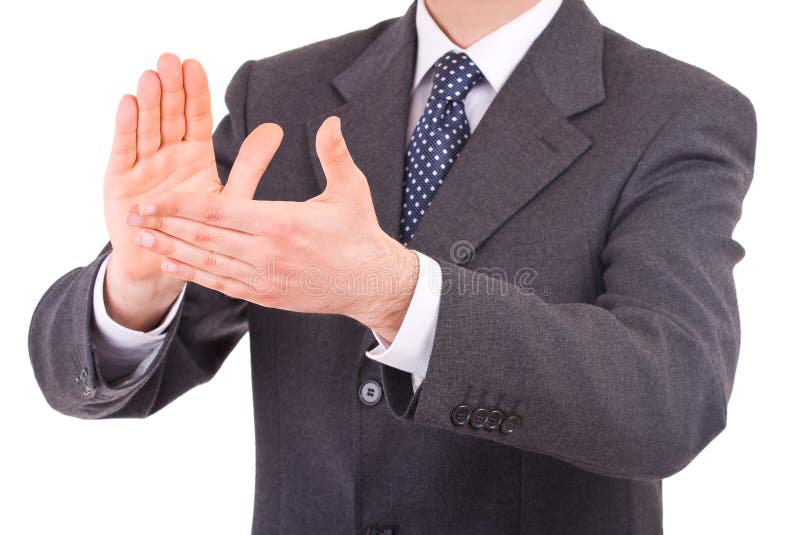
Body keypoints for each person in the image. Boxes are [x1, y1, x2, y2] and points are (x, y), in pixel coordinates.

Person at [28, 0, 757, 532]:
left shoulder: (677, 112)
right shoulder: (283, 95)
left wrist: (401, 296)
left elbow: (672, 398)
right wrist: (140, 283)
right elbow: (86, 380)